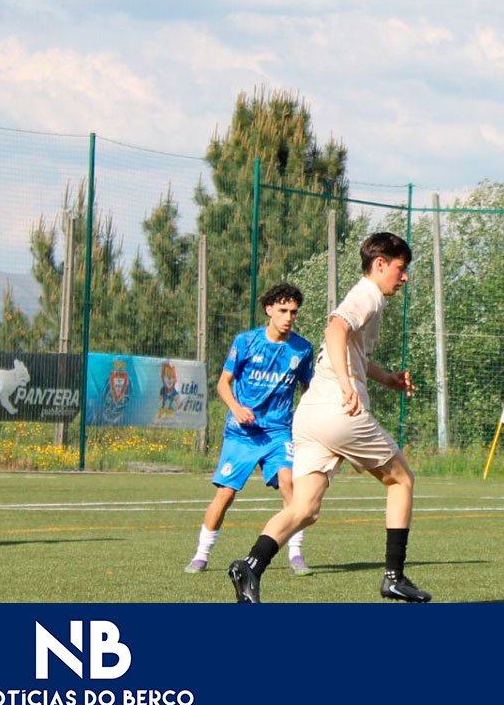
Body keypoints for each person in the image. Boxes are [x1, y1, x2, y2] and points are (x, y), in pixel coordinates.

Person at [227, 232, 431, 603]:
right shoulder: (368, 294)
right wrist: (347, 384)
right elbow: (335, 328)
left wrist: (386, 378)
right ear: (380, 264)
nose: (404, 277)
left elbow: (353, 351)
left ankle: (250, 566)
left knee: (304, 508)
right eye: (401, 268)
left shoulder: (366, 298)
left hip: (310, 415)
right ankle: (394, 576)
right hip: (340, 410)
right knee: (401, 480)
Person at [185, 283, 315, 575]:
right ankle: (201, 555)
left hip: (278, 431)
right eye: (283, 310)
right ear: (269, 310)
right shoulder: (246, 341)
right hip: (242, 433)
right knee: (226, 494)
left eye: (293, 312)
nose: (288, 317)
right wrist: (236, 408)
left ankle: (296, 554)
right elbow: (223, 383)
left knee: (289, 484)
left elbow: (309, 389)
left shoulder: (303, 349)